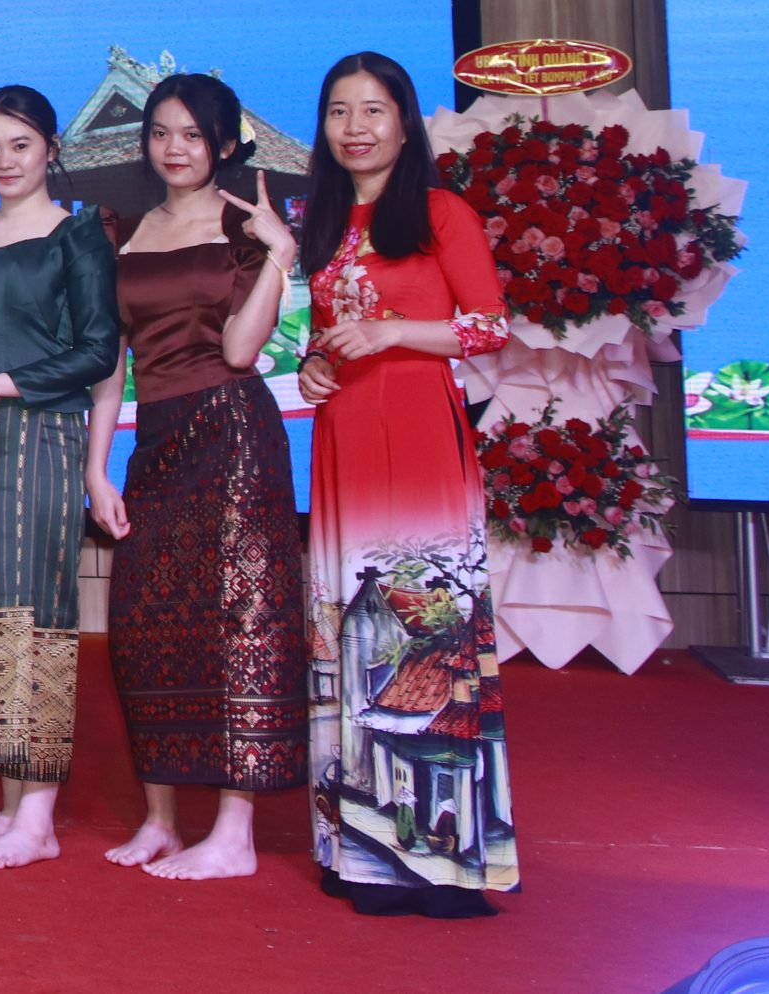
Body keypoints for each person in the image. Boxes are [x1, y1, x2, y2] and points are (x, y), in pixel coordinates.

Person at [293, 51, 518, 918]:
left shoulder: (439, 212)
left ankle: (452, 867)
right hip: (346, 434)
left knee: (426, 633)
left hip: (420, 432)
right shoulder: (320, 221)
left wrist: (393, 333)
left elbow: (489, 326)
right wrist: (314, 369)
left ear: (404, 121)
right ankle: (356, 853)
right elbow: (323, 334)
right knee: (348, 629)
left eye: (373, 110)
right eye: (339, 111)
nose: (355, 128)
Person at [86, 74, 307, 881]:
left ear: (222, 144)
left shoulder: (245, 225)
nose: (173, 149)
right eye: (160, 133)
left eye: (191, 134)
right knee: (145, 628)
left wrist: (281, 256)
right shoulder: (123, 227)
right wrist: (97, 468)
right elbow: (110, 365)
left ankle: (234, 833)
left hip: (234, 434)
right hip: (157, 442)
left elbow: (243, 350)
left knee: (236, 624)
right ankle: (161, 821)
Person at [0, 84, 120, 872]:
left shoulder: (77, 236)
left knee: (37, 617)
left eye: (20, 145)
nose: (4, 161)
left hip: (40, 438)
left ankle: (39, 815)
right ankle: (9, 806)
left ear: (51, 149)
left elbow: (98, 351)